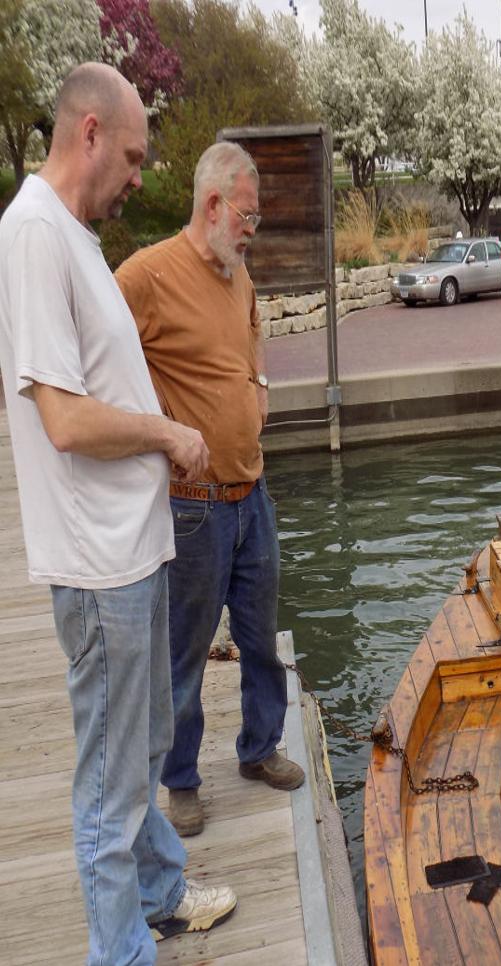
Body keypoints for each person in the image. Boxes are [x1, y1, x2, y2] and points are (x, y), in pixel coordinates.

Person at [0, 63, 237, 965]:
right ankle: (122, 951)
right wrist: (168, 435)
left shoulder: (73, 235)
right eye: (134, 155)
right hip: (97, 569)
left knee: (143, 747)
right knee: (109, 780)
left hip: (129, 553)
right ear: (89, 132)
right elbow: (63, 418)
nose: (141, 175)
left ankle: (161, 895)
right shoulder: (32, 235)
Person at [115, 141, 304, 839]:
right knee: (184, 654)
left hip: (253, 498)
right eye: (247, 215)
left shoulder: (238, 270)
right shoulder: (146, 275)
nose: (254, 227)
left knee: (260, 640)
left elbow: (252, 339)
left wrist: (258, 388)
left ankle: (259, 749)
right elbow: (92, 354)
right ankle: (182, 779)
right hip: (191, 509)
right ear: (214, 203)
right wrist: (155, 432)